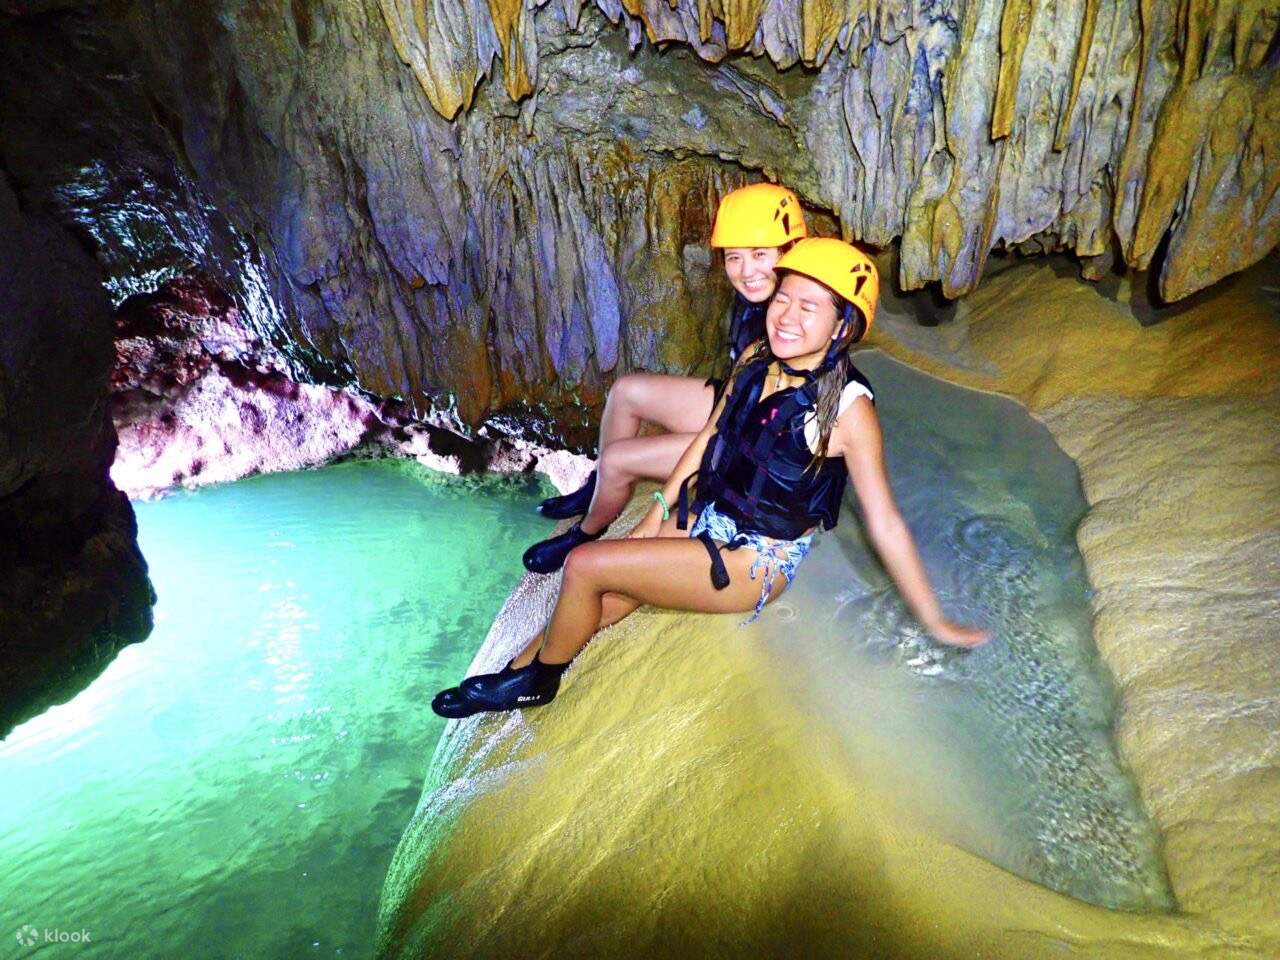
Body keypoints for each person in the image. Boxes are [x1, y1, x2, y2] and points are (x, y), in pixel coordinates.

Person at [431, 237, 989, 719]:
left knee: (586, 563)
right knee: (617, 583)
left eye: (809, 307)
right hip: (712, 516)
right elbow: (708, 440)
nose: (787, 316)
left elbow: (886, 523)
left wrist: (935, 620)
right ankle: (521, 663)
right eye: (783, 297)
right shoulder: (755, 356)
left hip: (758, 562)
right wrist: (657, 511)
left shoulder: (846, 411)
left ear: (843, 326)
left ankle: (537, 682)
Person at [522, 181, 807, 574]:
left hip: (749, 444)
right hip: (736, 403)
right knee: (626, 391)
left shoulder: (796, 316)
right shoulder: (763, 297)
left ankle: (586, 531)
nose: (745, 271)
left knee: (621, 459)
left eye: (760, 255)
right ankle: (597, 487)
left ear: (790, 251)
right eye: (734, 257)